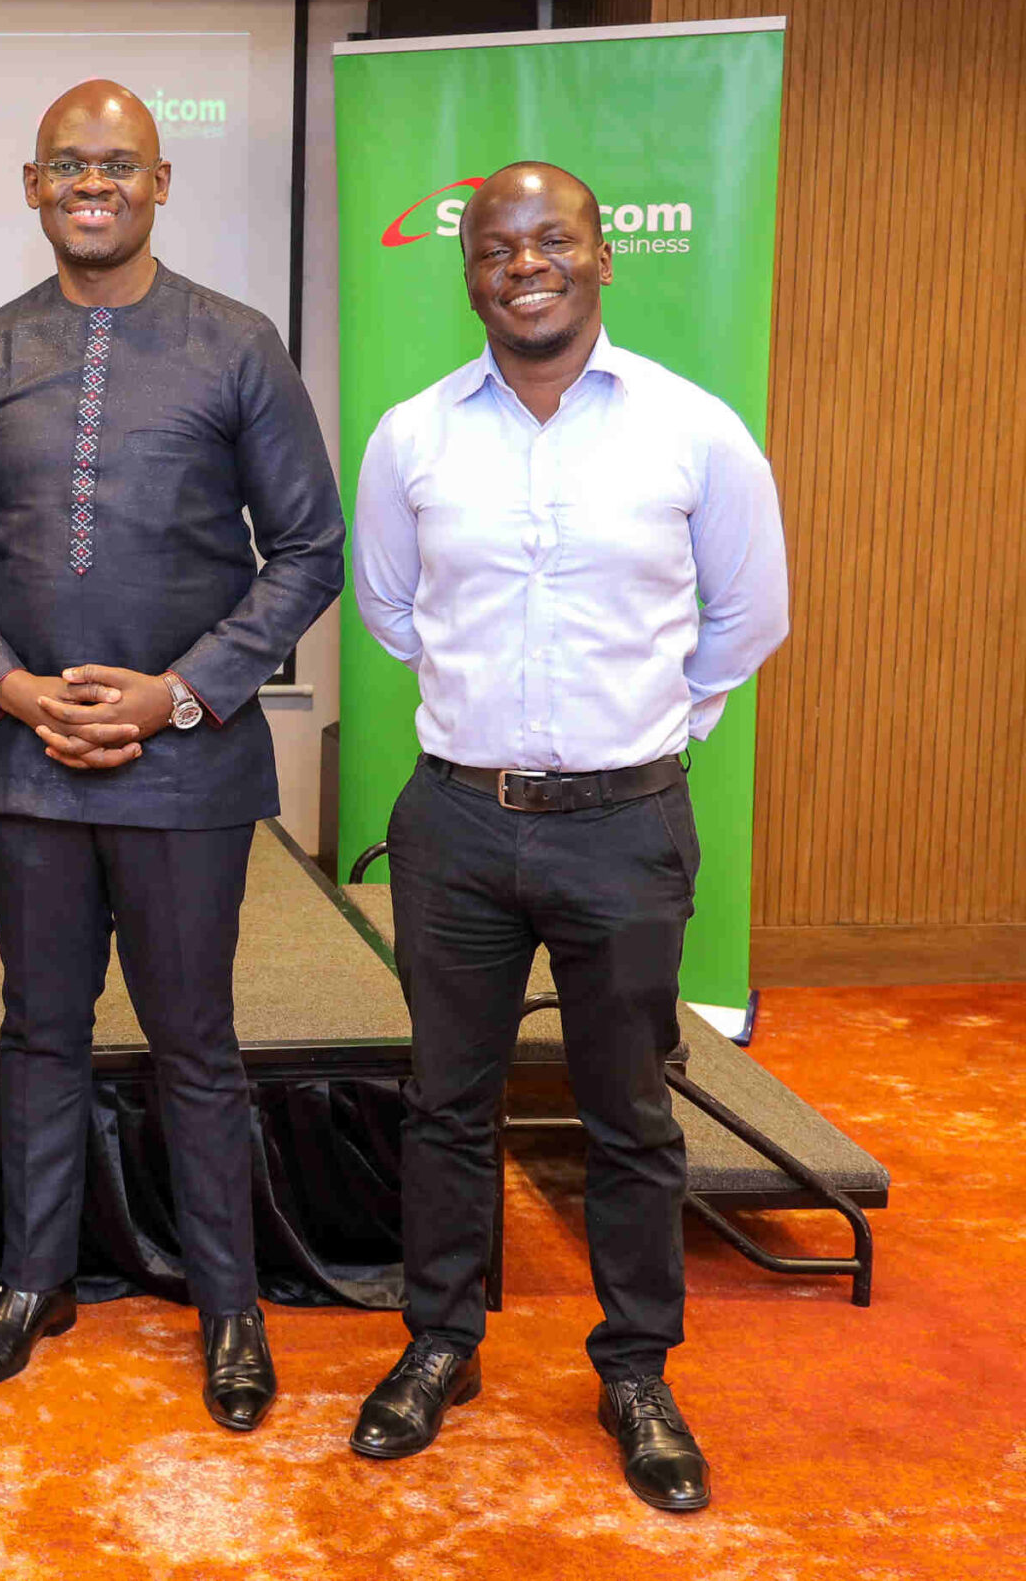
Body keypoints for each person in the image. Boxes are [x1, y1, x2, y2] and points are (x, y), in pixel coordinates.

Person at [348, 161, 788, 1511]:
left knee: (631, 1113)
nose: (523, 263)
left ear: (604, 256)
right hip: (457, 821)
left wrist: (654, 724)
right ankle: (439, 1342)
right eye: (496, 245)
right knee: (446, 1099)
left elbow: (748, 617)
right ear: (467, 267)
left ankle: (638, 1367)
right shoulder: (412, 436)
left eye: (552, 240)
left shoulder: (693, 431)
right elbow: (388, 606)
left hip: (626, 824)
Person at [0, 81, 344, 1426]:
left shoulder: (236, 345)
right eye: (65, 165)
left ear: (160, 182)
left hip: (187, 764)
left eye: (117, 164)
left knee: (195, 1038)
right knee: (38, 1029)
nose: (90, 184)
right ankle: (33, 1279)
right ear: (31, 187)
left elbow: (311, 550)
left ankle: (229, 1303)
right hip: (27, 761)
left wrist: (176, 696)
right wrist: (13, 689)